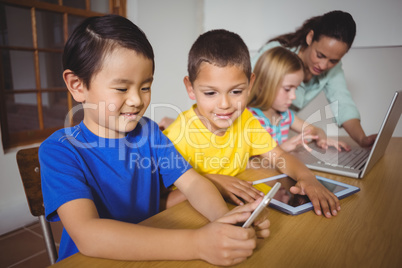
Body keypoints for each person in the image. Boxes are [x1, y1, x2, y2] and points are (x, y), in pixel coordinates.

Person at [39, 15, 270, 266]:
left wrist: (225, 221)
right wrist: (198, 243)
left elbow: (193, 184)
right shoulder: (60, 150)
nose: (137, 100)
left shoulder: (149, 133)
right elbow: (89, 235)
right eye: (121, 88)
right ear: (77, 85)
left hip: (153, 255)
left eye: (145, 87)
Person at [163, 29, 340, 218]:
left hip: (235, 206)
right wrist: (211, 182)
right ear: (190, 88)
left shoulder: (246, 120)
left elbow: (279, 156)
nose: (225, 105)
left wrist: (307, 178)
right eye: (210, 93)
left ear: (250, 85)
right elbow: (159, 202)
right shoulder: (175, 137)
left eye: (236, 92)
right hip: (191, 216)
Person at [252, 10, 376, 148]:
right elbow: (241, 88)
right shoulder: (275, 55)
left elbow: (343, 104)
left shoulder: (285, 115)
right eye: (320, 55)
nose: (323, 65)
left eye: (333, 61)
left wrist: (362, 139)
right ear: (310, 37)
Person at [248, 46, 349, 152]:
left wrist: (322, 139)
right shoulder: (248, 119)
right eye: (287, 89)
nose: (293, 96)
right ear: (262, 85)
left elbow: (315, 130)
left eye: (295, 88)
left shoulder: (285, 116)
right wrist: (281, 150)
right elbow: (246, 163)